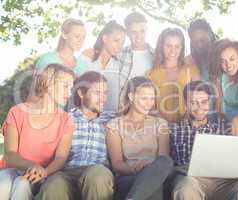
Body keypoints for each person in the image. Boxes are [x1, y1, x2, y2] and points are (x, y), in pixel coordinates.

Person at [170, 80, 238, 200]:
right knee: (185, 188)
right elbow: (166, 165)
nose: (199, 107)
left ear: (209, 103)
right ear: (185, 104)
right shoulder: (173, 130)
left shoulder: (223, 128)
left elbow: (237, 159)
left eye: (204, 102)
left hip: (223, 181)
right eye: (193, 102)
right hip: (190, 179)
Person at [0, 64, 75, 200]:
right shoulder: (17, 112)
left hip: (41, 176)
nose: (69, 93)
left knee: (22, 184)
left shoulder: (66, 120)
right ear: (48, 83)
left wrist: (43, 172)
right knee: (3, 183)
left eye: (71, 88)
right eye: (65, 86)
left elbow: (60, 158)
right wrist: (32, 166)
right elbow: (10, 155)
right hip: (13, 169)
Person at [37, 71, 114, 200]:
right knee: (53, 185)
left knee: (97, 176)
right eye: (97, 93)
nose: (103, 98)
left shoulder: (112, 119)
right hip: (67, 173)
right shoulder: (64, 118)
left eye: (105, 93)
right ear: (81, 93)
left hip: (97, 171)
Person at [106, 76, 173, 200]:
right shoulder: (115, 125)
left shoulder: (160, 123)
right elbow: (117, 164)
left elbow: (163, 158)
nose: (149, 103)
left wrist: (149, 166)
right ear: (131, 97)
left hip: (156, 172)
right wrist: (135, 168)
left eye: (152, 98)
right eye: (144, 98)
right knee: (153, 183)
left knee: (164, 163)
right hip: (129, 177)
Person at [149, 28, 200, 122]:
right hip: (160, 126)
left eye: (177, 46)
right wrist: (164, 124)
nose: (173, 50)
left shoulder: (192, 70)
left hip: (187, 126)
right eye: (168, 46)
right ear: (161, 46)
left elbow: (199, 100)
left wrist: (184, 123)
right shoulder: (152, 74)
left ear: (182, 48)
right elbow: (151, 106)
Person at [81, 20, 126, 115]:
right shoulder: (86, 60)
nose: (119, 46)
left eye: (122, 43)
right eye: (116, 40)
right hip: (85, 118)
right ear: (105, 38)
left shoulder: (119, 67)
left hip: (110, 120)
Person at [209, 39, 238, 123]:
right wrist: (221, 124)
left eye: (232, 59)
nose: (228, 65)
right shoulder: (219, 74)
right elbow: (219, 103)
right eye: (223, 61)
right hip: (227, 120)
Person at [120, 12, 154, 79]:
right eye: (134, 32)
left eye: (142, 31)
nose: (139, 36)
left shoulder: (156, 55)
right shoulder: (119, 55)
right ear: (127, 33)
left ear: (146, 29)